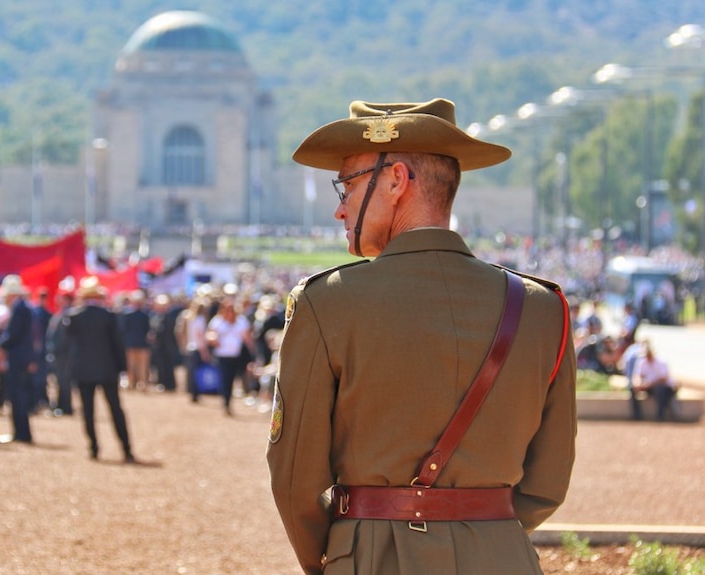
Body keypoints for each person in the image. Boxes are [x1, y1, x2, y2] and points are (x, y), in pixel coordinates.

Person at [266, 99, 577, 574]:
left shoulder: (326, 303)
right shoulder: (540, 308)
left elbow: (294, 480)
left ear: (395, 181)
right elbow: (547, 482)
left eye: (346, 186)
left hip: (372, 557)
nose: (338, 209)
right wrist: (481, 529)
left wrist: (341, 555)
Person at [63, 277, 135, 463]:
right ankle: (126, 449)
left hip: (83, 371)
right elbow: (117, 344)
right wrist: (122, 367)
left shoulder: (73, 317)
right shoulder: (109, 315)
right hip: (107, 369)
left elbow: (66, 345)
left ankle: (93, 448)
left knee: (88, 412)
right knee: (115, 409)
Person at [0, 275, 35, 444]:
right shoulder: (25, 308)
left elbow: (13, 335)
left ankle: (20, 433)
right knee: (19, 396)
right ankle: (21, 432)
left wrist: (0, 343)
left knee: (16, 396)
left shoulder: (19, 309)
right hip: (22, 358)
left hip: (17, 359)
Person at [206, 297, 254, 416]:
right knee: (225, 379)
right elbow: (209, 334)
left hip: (236, 356)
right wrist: (213, 340)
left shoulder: (241, 321)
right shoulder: (217, 321)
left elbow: (248, 338)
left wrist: (253, 353)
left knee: (232, 379)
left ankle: (227, 400)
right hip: (222, 356)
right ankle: (226, 401)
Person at [631, 341, 678, 421]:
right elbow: (637, 375)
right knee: (632, 389)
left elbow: (663, 379)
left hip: (665, 387)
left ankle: (660, 416)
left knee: (661, 390)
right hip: (649, 387)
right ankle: (637, 415)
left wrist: (648, 385)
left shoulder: (661, 362)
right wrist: (637, 384)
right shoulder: (642, 362)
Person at [118, 289, 151, 392]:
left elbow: (122, 329)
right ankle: (141, 384)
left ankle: (132, 384)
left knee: (131, 365)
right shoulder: (145, 314)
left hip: (130, 343)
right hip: (141, 343)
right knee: (140, 366)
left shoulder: (126, 314)